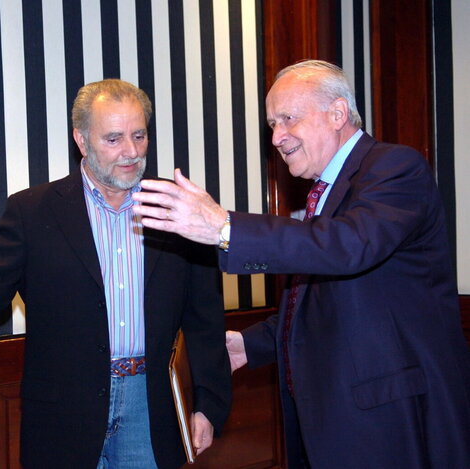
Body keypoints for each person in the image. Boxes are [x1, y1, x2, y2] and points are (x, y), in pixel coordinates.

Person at [132, 60, 470, 468]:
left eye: (288, 119)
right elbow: (324, 299)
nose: (277, 137)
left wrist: (225, 228)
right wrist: (249, 345)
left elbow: (349, 247)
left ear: (338, 114)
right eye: (273, 124)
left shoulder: (394, 168)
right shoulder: (325, 191)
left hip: (390, 422)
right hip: (336, 421)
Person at [0, 78, 232, 469]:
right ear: (82, 140)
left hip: (152, 408)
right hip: (64, 414)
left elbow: (205, 317)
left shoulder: (178, 209)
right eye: (114, 138)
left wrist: (208, 404)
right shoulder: (34, 211)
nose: (131, 151)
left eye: (139, 135)